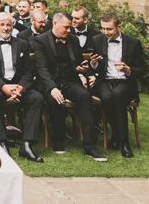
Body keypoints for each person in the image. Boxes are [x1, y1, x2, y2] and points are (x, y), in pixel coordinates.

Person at [34, 12, 106, 161]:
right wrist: (52, 88)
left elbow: (78, 62)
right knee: (55, 100)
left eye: (69, 28)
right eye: (66, 27)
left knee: (85, 96)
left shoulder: (73, 40)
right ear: (55, 24)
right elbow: (41, 68)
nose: (69, 30)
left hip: (69, 81)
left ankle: (90, 145)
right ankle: (58, 140)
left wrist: (81, 68)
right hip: (50, 82)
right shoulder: (40, 41)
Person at [0, 12, 44, 162]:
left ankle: (27, 144)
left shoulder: (22, 44)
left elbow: (29, 71)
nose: (5, 28)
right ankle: (2, 142)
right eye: (2, 24)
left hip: (17, 85)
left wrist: (20, 88)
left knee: (37, 98)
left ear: (13, 26)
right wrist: (3, 87)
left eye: (8, 24)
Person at [91, 13, 146, 158]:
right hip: (105, 81)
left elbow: (143, 69)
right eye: (103, 29)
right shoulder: (97, 40)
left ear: (118, 27)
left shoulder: (133, 43)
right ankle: (116, 135)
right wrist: (94, 63)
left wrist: (128, 69)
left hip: (125, 82)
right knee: (107, 96)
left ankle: (124, 143)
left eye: (109, 29)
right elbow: (93, 68)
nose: (105, 33)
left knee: (117, 95)